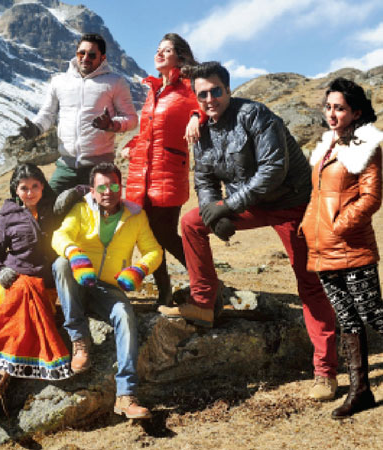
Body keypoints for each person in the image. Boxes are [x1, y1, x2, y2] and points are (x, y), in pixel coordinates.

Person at [159, 61, 339, 401]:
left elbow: (273, 169)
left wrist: (229, 205)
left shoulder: (256, 115)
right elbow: (205, 179)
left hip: (294, 203)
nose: (209, 99)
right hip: (251, 201)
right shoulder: (201, 130)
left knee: (309, 283)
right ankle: (202, 302)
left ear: (228, 89)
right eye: (202, 94)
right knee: (192, 223)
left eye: (216, 91)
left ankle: (325, 372)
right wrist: (214, 214)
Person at [51, 162, 163, 419]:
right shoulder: (80, 210)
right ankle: (80, 341)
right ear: (92, 190)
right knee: (61, 264)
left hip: (109, 288)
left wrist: (139, 269)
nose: (108, 192)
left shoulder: (136, 216)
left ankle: (126, 395)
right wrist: (75, 254)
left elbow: (154, 251)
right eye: (101, 187)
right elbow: (60, 235)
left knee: (125, 315)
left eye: (113, 186)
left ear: (120, 187)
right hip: (79, 282)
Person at [300, 77, 383, 418]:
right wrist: (310, 226)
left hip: (352, 247)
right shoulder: (327, 146)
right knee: (347, 318)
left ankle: (360, 390)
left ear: (356, 112)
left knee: (375, 315)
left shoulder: (367, 146)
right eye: (329, 107)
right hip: (323, 249)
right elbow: (317, 195)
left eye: (340, 108)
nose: (331, 114)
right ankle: (360, 391)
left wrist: (338, 225)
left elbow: (371, 197)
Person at [0, 163, 71, 422]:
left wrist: (77, 192)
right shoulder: (8, 216)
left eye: (34, 186)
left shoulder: (54, 210)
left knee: (22, 314)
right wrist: (0, 271)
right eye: (24, 188)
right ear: (15, 190)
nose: (30, 193)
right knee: (22, 314)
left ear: (43, 186)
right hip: (14, 281)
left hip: (44, 285)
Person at [123, 33, 201, 305]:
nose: (159, 54)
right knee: (150, 240)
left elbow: (207, 105)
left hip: (167, 172)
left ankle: (206, 283)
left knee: (166, 235)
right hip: (142, 173)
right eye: (158, 49)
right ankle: (164, 293)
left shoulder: (190, 85)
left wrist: (196, 117)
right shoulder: (154, 89)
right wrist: (132, 145)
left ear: (180, 56)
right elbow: (148, 131)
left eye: (166, 50)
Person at [18, 33, 138, 194]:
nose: (85, 58)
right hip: (65, 167)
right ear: (76, 53)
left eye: (92, 55)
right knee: (47, 205)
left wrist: (112, 124)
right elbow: (48, 113)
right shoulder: (59, 81)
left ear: (102, 58)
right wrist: (36, 128)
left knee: (100, 209)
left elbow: (131, 119)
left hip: (100, 168)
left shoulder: (115, 82)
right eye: (82, 53)